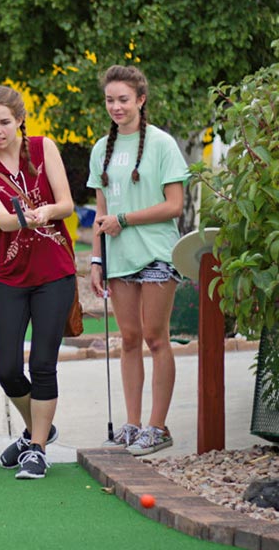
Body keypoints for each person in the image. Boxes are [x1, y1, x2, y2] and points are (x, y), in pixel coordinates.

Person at [0, 85, 76, 479]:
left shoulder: (45, 149)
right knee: (6, 367)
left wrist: (45, 210)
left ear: (20, 119)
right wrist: (24, 218)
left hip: (54, 271)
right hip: (10, 275)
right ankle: (36, 430)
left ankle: (39, 449)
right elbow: (2, 218)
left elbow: (67, 204)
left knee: (43, 364)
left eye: (4, 122)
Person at [87, 65, 189, 456]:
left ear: (141, 100)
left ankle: (158, 427)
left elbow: (175, 206)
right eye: (110, 100)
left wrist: (125, 219)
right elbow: (100, 210)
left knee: (154, 338)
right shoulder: (102, 149)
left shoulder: (162, 144)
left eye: (123, 99)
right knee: (129, 339)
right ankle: (131, 425)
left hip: (158, 253)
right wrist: (97, 260)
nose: (116, 106)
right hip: (120, 258)